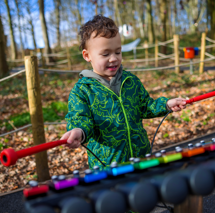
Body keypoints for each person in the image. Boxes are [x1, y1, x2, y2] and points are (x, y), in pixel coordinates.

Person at [60, 15, 187, 169]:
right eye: (105, 54)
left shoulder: (130, 81)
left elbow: (146, 106)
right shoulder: (82, 90)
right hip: (109, 166)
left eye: (118, 52)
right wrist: (78, 131)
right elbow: (80, 119)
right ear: (87, 56)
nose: (113, 58)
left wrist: (166, 104)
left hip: (141, 158)